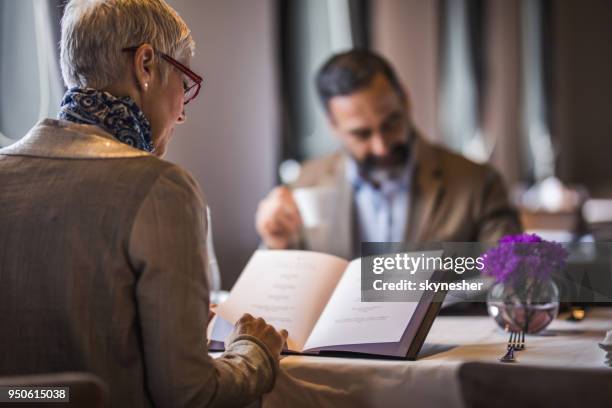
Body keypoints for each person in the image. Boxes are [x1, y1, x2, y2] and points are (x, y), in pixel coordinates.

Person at [0, 1, 286, 406]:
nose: (182, 113)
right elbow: (190, 396)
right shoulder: (160, 187)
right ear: (146, 64)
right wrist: (252, 350)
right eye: (184, 83)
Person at [256, 50, 521, 259]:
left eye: (391, 123)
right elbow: (285, 290)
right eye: (362, 134)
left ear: (405, 100)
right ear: (333, 126)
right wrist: (275, 244)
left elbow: (509, 279)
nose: (381, 146)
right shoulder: (304, 183)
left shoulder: (479, 183)